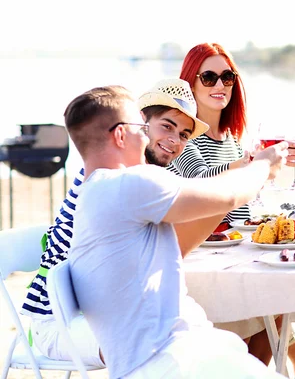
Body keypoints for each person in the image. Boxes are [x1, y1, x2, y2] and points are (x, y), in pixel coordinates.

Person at [64, 84, 288, 378]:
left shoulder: (97, 193)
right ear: (120, 135)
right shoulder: (128, 184)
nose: (146, 135)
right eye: (141, 127)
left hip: (173, 355)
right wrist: (262, 168)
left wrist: (236, 184)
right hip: (172, 361)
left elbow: (181, 241)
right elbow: (230, 193)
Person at [21, 78, 212, 367]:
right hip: (61, 322)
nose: (174, 140)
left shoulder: (126, 177)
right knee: (159, 340)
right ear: (139, 125)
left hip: (101, 313)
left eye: (184, 134)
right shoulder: (114, 182)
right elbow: (180, 247)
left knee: (185, 326)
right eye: (166, 126)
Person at [168, 42, 295, 371]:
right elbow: (203, 179)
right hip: (202, 254)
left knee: (283, 293)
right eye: (209, 77)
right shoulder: (183, 132)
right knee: (272, 303)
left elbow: (245, 195)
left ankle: (268, 362)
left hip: (237, 251)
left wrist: (266, 167)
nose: (219, 85)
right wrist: (250, 165)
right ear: (190, 82)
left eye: (227, 77)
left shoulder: (230, 135)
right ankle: (287, 354)